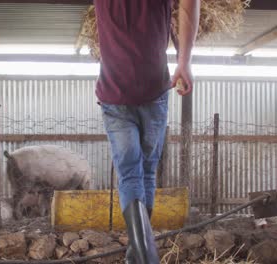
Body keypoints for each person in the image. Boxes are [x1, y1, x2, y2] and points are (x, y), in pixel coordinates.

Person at [94, 0, 200, 263]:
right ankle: (141, 254)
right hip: (154, 89)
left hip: (114, 92)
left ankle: (139, 253)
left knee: (130, 172)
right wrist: (184, 61)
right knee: (147, 171)